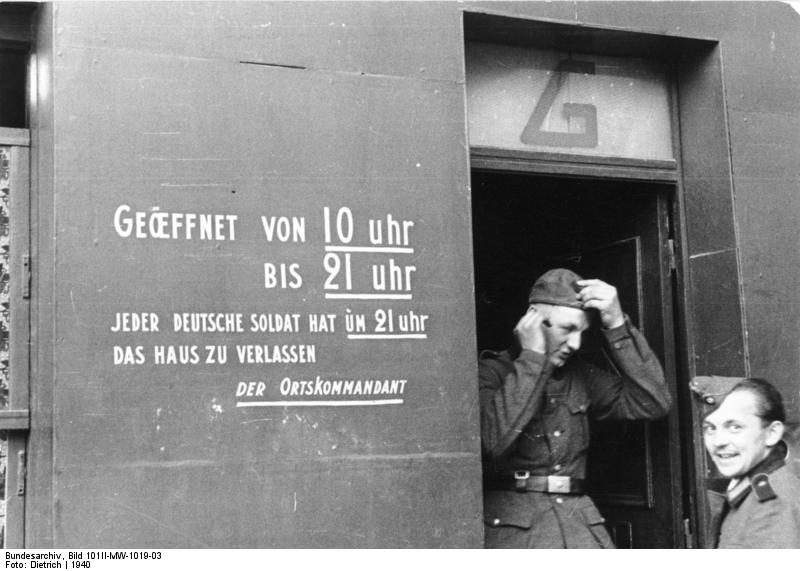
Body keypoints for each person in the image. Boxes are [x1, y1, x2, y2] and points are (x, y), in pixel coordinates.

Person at [479, 268, 671, 548]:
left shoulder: (580, 375)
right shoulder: (491, 373)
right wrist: (533, 358)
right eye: (567, 329)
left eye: (582, 332)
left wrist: (616, 324)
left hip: (578, 525)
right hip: (516, 535)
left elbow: (653, 403)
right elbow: (492, 443)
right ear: (532, 319)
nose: (575, 344)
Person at [692, 375, 800, 548]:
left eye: (735, 427)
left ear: (772, 433)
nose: (718, 441)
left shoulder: (773, 506)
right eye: (710, 428)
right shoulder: (748, 489)